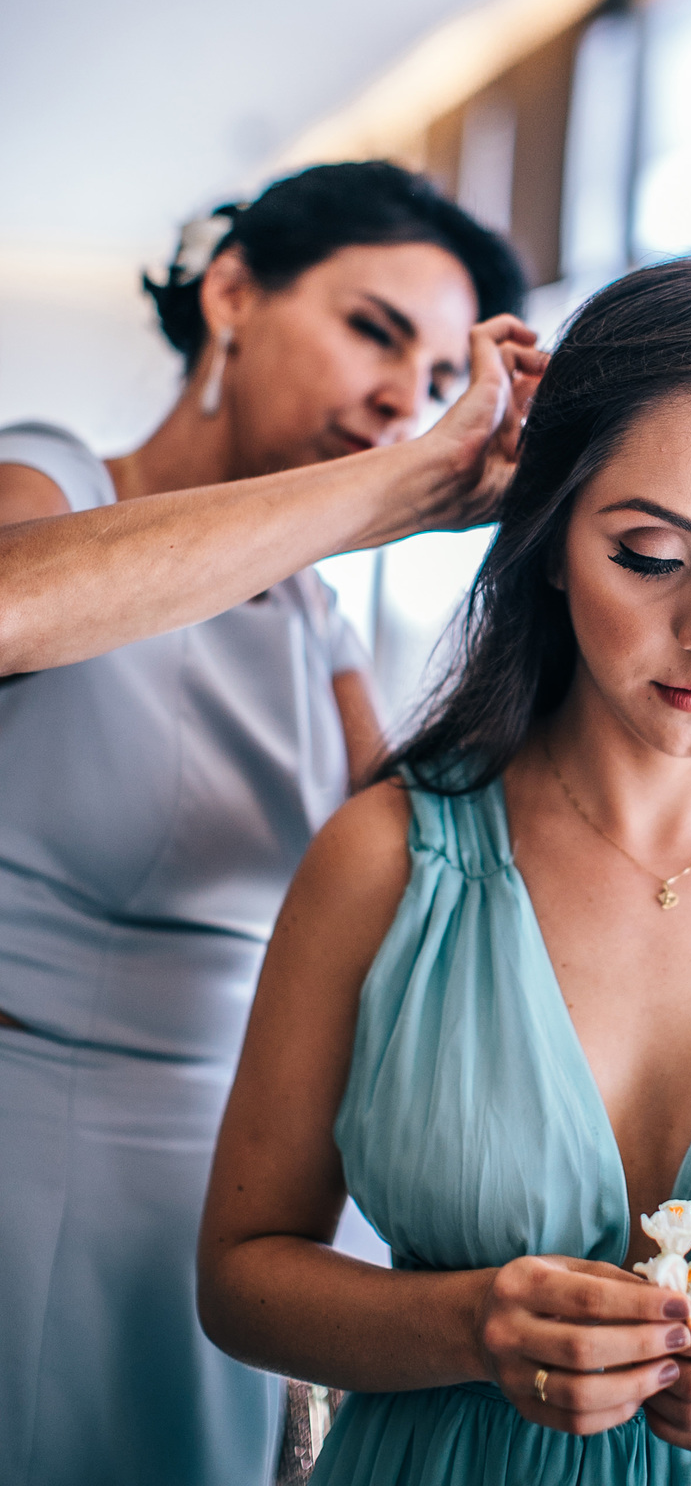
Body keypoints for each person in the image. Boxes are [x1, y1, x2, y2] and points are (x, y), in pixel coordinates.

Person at [198, 253, 691, 1486]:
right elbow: (240, 1276)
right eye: (650, 554)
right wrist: (467, 1324)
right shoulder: (383, 855)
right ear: (551, 540)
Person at [0, 160, 545, 1486]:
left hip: (233, 1187)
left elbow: (433, 855)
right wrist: (402, 481)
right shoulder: (50, 479)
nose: (400, 399)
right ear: (234, 294)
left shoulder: (313, 616)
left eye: (435, 380)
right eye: (373, 331)